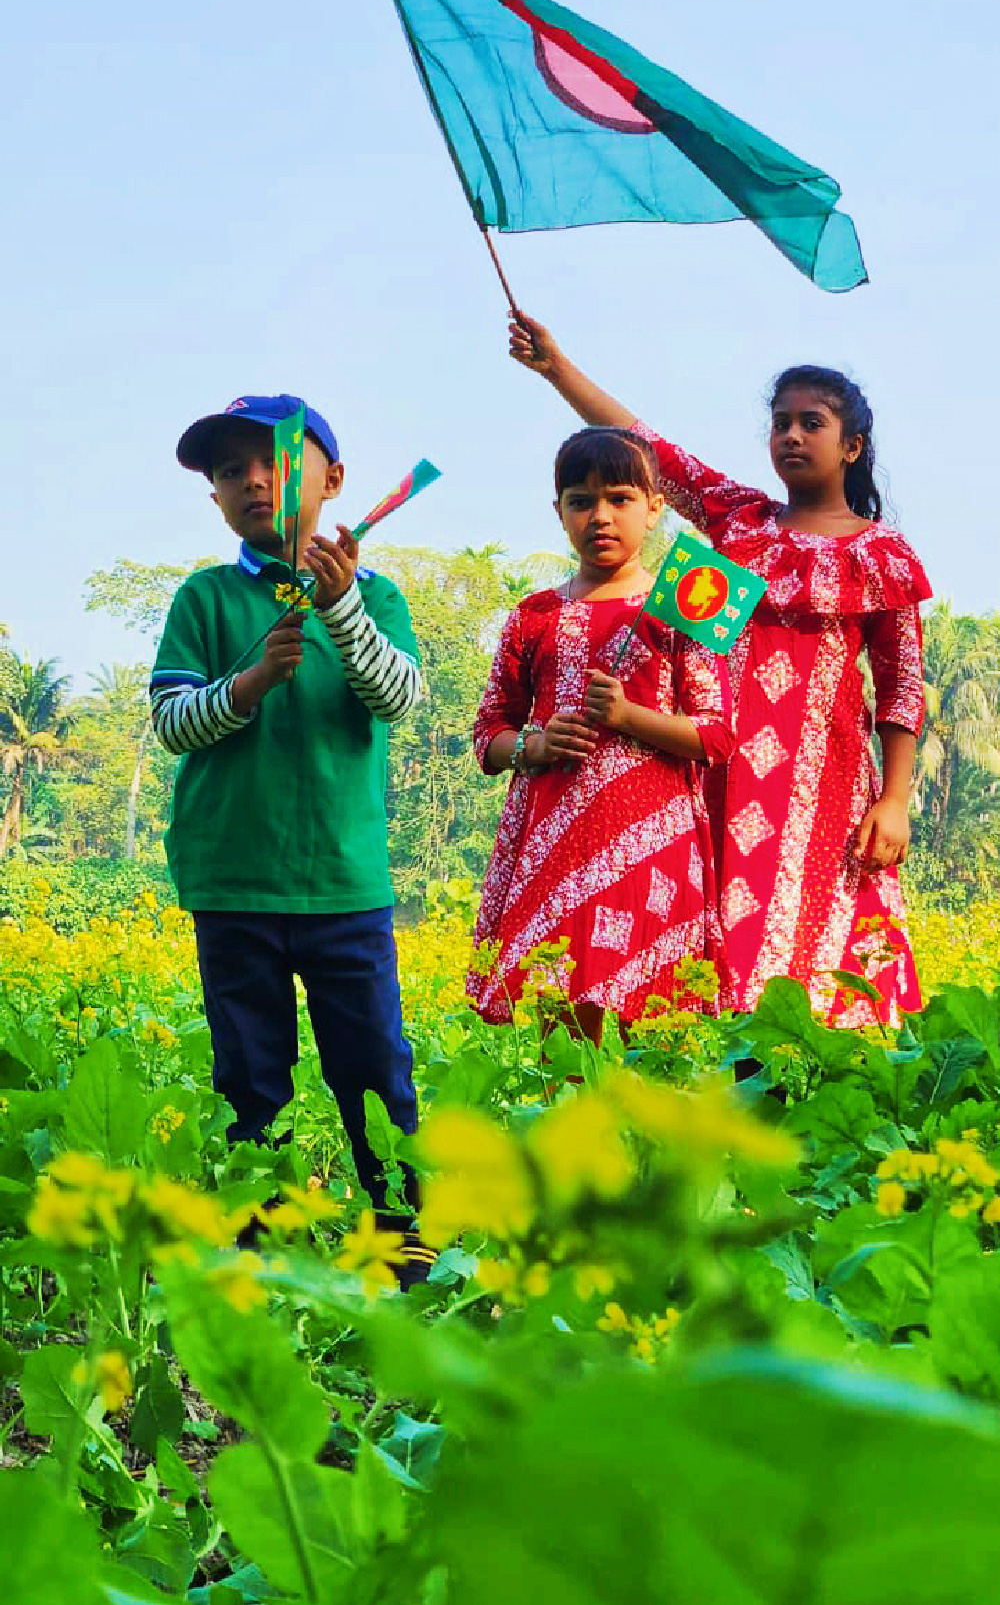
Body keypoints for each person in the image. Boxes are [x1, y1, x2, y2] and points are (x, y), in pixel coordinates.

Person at [505, 313, 932, 1028]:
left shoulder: (882, 555)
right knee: (713, 971)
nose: (791, 435)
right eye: (780, 422)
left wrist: (894, 799)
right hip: (719, 776)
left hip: (826, 783)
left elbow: (902, 687)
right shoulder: (738, 521)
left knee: (832, 972)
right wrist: (557, 368)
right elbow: (652, 449)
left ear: (852, 445)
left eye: (811, 423)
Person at [149, 393, 429, 1273]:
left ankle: (403, 1251)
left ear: (334, 481)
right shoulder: (204, 597)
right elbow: (170, 719)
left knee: (375, 1073)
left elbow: (401, 700)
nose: (253, 479)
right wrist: (249, 684)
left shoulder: (378, 596)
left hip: (345, 884)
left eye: (277, 459)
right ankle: (260, 1252)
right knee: (251, 1076)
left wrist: (341, 611)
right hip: (233, 881)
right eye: (230, 470)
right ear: (215, 497)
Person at [467, 425, 734, 1038]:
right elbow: (489, 735)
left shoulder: (685, 606)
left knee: (656, 1034)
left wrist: (628, 718)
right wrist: (533, 746)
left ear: (654, 508)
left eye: (620, 498)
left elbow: (717, 737)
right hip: (553, 844)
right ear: (558, 512)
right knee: (560, 1034)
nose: (601, 517)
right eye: (581, 502)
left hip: (653, 845)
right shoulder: (533, 615)